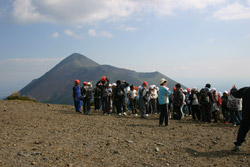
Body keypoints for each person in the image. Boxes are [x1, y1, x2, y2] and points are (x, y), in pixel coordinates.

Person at [232, 87, 250, 151]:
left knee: (243, 129)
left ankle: (237, 144)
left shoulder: (246, 89)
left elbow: (235, 94)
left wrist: (234, 89)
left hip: (246, 114)